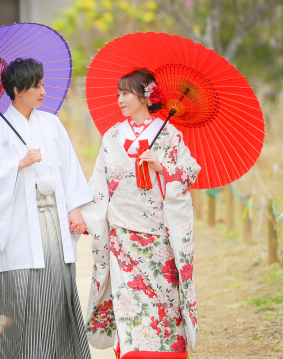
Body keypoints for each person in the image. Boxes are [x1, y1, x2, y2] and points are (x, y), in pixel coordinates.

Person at [0, 57, 93, 359]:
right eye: (36, 85)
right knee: (23, 293)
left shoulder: (51, 123)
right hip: (19, 226)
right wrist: (18, 163)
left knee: (56, 288)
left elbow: (69, 169)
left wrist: (74, 210)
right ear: (17, 89)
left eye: (42, 84)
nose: (42, 91)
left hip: (52, 217)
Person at [81, 68, 200, 359]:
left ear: (145, 95)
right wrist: (86, 215)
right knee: (128, 302)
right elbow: (99, 180)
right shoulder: (112, 135)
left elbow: (190, 172)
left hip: (159, 232)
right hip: (122, 231)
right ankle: (132, 353)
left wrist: (163, 167)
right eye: (118, 94)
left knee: (163, 299)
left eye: (125, 93)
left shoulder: (169, 133)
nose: (119, 99)